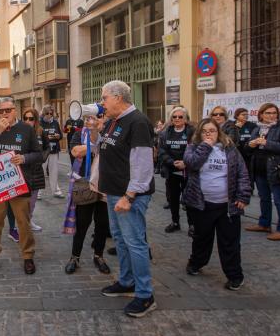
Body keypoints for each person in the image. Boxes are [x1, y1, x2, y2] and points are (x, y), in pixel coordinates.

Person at [96, 80, 157, 318]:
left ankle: (145, 294)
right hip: (113, 192)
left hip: (128, 195)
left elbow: (143, 165)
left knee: (135, 242)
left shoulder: (138, 122)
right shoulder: (113, 121)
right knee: (120, 240)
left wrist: (129, 196)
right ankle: (127, 281)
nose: (102, 103)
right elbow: (106, 149)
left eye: (104, 98)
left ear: (118, 98)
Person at [182, 118, 251, 290]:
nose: (208, 134)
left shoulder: (229, 149)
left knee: (230, 242)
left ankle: (235, 276)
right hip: (202, 204)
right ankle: (196, 263)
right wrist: (206, 146)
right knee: (201, 238)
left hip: (227, 206)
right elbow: (192, 164)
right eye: (205, 131)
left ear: (218, 132)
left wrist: (243, 196)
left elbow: (242, 172)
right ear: (199, 133)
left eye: (212, 130)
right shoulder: (193, 147)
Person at [0, 97, 43, 275]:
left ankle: (28, 256)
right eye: (1, 111)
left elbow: (38, 154)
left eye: (8, 110)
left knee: (23, 221)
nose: (4, 114)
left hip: (19, 183)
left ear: (15, 111)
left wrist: (24, 158)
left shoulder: (26, 129)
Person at [243, 103, 280, 241]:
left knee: (279, 200)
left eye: (274, 113)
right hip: (260, 169)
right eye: (268, 113)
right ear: (261, 114)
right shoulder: (257, 128)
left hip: (276, 169)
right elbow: (247, 148)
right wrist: (250, 144)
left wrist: (267, 143)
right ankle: (264, 224)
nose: (271, 116)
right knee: (264, 198)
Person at [65, 114, 111, 275]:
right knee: (82, 223)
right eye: (89, 118)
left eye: (97, 117)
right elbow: (76, 151)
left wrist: (94, 143)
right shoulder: (79, 134)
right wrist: (94, 139)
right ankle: (74, 257)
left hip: (105, 184)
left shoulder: (110, 132)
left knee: (102, 223)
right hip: (85, 185)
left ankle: (98, 256)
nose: (93, 121)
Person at [159, 107, 195, 234]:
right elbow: (162, 152)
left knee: (189, 199)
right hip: (172, 171)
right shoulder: (165, 133)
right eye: (175, 117)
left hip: (188, 170)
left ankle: (192, 225)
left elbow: (197, 150)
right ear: (171, 119)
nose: (177, 119)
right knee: (173, 199)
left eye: (180, 117)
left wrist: (186, 163)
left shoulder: (192, 132)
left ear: (185, 119)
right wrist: (172, 162)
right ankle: (175, 222)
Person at [21, 108, 48, 233]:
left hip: (36, 170)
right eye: (25, 118)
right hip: (23, 170)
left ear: (35, 120)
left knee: (32, 200)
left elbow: (47, 147)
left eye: (31, 118)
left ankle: (29, 220)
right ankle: (20, 223)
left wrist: (42, 158)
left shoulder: (41, 131)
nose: (28, 121)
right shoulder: (19, 132)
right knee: (21, 200)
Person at [40, 105, 64, 198]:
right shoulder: (40, 123)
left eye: (51, 113)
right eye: (47, 113)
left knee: (54, 171)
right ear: (43, 114)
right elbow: (36, 137)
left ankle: (56, 191)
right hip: (43, 151)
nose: (49, 115)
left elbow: (61, 135)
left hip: (54, 150)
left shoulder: (55, 123)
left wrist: (58, 136)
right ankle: (39, 192)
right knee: (41, 171)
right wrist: (46, 138)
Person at [229, 108, 258, 182]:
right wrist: (236, 128)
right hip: (234, 154)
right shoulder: (231, 125)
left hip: (247, 155)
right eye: (243, 114)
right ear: (237, 116)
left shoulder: (252, 125)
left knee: (247, 175)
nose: (246, 116)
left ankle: (249, 189)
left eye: (247, 115)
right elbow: (229, 139)